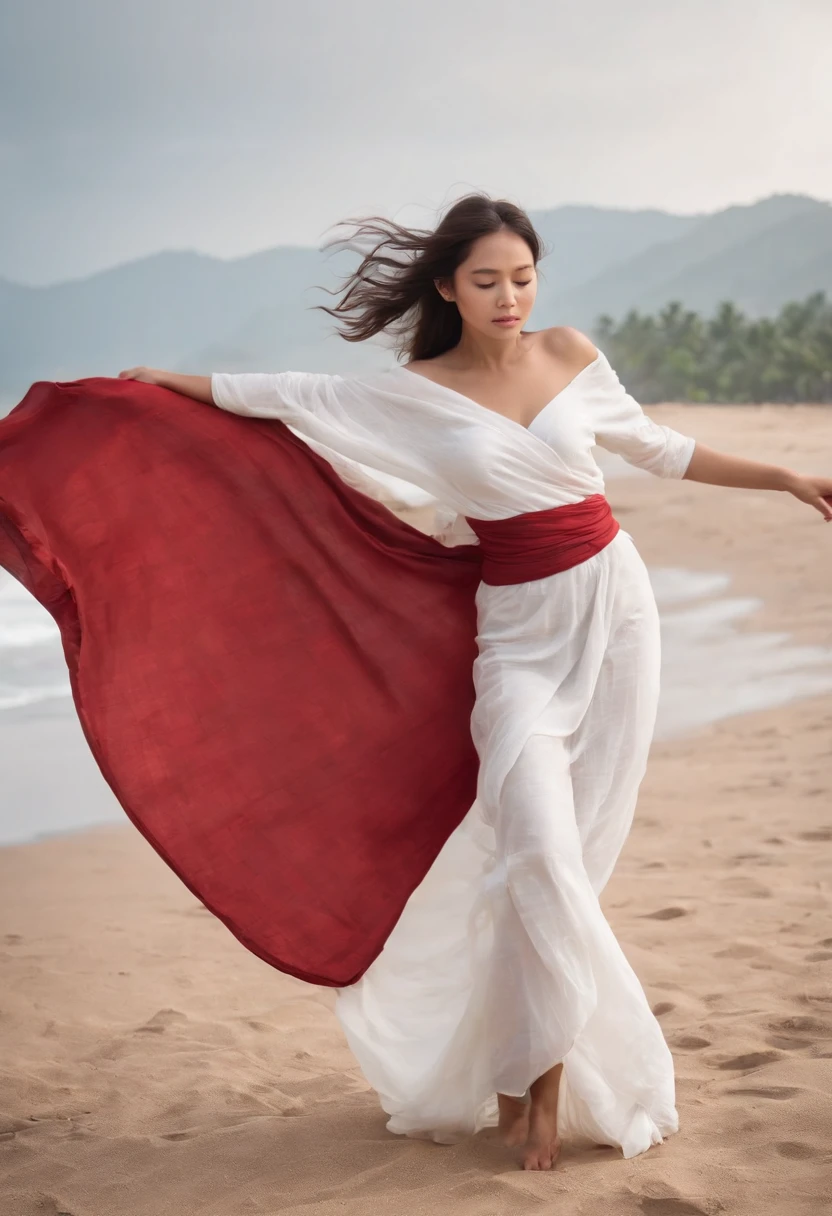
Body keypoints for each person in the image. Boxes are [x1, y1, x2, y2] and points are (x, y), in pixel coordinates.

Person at [10, 193, 832, 1173]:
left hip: (616, 615)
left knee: (580, 853)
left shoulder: (569, 353)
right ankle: (533, 1075)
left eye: (522, 277)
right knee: (534, 850)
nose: (509, 297)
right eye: (486, 280)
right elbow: (288, 396)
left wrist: (784, 477)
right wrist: (160, 389)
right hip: (518, 636)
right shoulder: (412, 391)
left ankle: (538, 1086)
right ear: (445, 287)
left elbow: (657, 449)